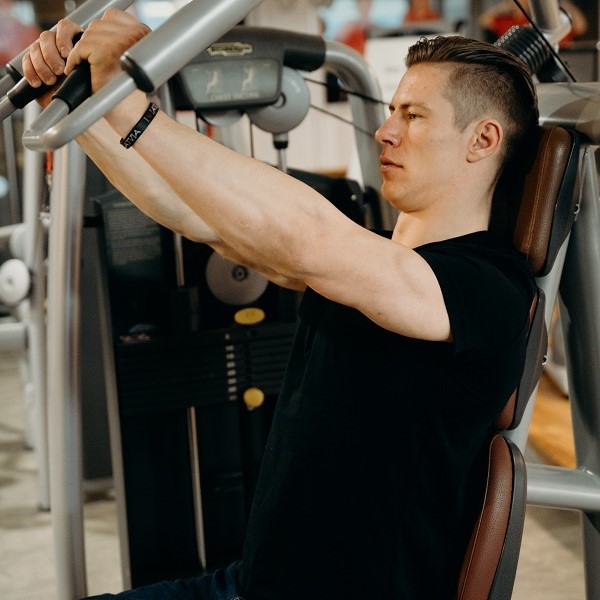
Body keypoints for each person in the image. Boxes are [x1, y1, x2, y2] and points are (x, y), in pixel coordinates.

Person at [23, 9, 539, 599]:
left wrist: (133, 107)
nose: (385, 131)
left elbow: (313, 239)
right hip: (254, 584)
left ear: (484, 140)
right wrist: (78, 103)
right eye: (392, 110)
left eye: (413, 115)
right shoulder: (371, 264)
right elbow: (192, 212)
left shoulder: (488, 287)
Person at [479, 0, 588, 45]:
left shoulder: (555, 19)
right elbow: (484, 20)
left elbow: (581, 26)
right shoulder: (508, 20)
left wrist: (559, 2)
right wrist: (505, 6)